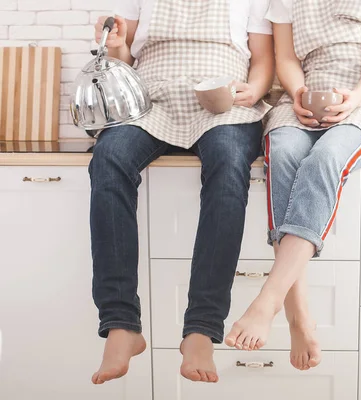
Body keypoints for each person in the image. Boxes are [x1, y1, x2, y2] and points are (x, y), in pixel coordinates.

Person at [89, 0, 274, 385]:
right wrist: (117, 45)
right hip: (151, 100)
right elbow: (124, 61)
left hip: (222, 104)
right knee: (108, 158)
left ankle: (202, 329)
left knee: (228, 165)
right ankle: (121, 323)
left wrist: (253, 90)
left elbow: (263, 58)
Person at [224, 0, 361, 371]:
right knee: (283, 150)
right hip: (305, 97)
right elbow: (286, 56)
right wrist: (300, 92)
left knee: (325, 159)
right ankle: (299, 311)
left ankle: (272, 300)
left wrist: (357, 96)